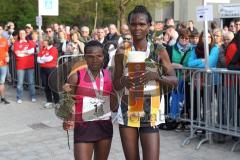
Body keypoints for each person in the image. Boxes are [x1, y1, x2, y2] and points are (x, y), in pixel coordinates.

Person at [114, 5, 177, 160]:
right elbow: (115, 83)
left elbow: (175, 80)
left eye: (142, 24)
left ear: (149, 26)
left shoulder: (158, 50)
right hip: (128, 111)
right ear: (129, 26)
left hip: (151, 114)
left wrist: (156, 76)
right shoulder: (122, 51)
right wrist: (125, 80)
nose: (137, 28)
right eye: (133, 24)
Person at [63, 40, 114, 160]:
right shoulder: (76, 76)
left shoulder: (110, 75)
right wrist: (67, 119)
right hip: (83, 127)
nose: (95, 60)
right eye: (90, 56)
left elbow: (114, 103)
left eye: (99, 56)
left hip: (104, 126)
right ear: (84, 57)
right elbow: (68, 102)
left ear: (104, 57)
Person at [14, 30, 36, 104]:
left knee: (31, 82)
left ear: (26, 34)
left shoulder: (30, 42)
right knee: (20, 83)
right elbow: (18, 54)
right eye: (20, 33)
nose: (22, 34)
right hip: (20, 65)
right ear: (19, 35)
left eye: (23, 33)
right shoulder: (16, 43)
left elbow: (32, 51)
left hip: (30, 65)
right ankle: (19, 97)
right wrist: (27, 52)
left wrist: (23, 51)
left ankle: (33, 96)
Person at [37, 36, 59, 109]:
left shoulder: (54, 49)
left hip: (51, 69)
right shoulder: (43, 49)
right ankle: (49, 101)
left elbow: (50, 59)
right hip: (43, 69)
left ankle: (57, 102)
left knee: (52, 85)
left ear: (48, 42)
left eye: (44, 41)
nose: (43, 42)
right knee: (46, 86)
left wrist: (42, 59)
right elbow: (38, 59)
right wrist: (44, 59)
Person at [0, 24, 10, 104]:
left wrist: (8, 57)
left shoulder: (4, 40)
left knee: (2, 82)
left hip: (3, 64)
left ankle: (2, 98)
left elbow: (6, 51)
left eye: (0, 29)